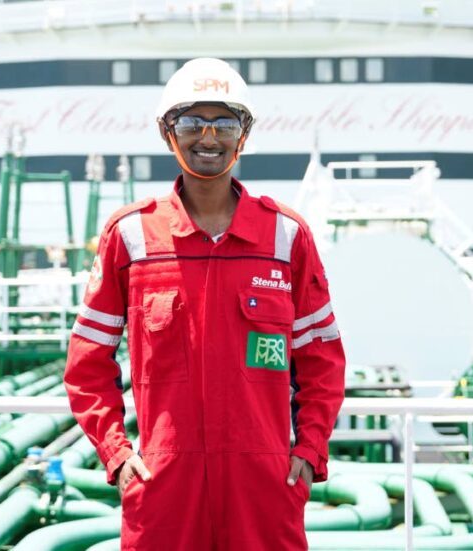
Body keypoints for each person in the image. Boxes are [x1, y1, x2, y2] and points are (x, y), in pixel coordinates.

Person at [64, 57, 346, 550]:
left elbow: (322, 359)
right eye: (192, 123)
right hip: (163, 486)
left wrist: (308, 451)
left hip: (265, 485)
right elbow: (86, 365)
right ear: (168, 134)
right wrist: (117, 454)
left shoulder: (286, 235)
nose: (208, 138)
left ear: (245, 134)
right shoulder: (131, 235)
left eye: (225, 123)